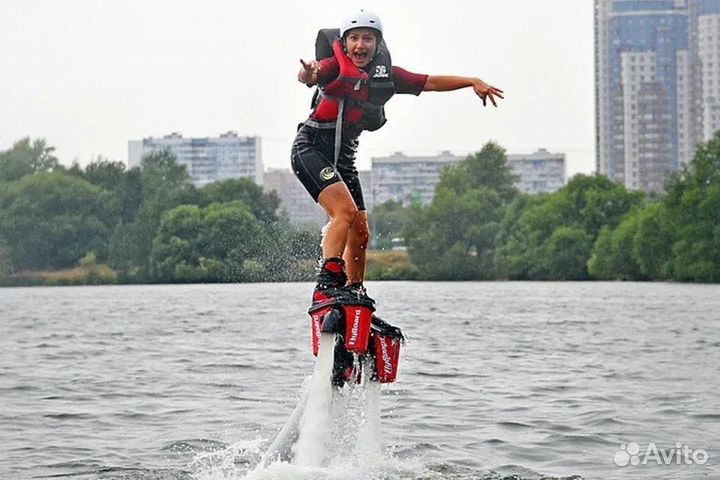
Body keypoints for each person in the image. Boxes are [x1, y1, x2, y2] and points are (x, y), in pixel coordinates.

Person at [292, 9, 503, 311]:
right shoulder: (331, 68)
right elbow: (309, 75)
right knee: (345, 212)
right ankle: (326, 287)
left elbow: (429, 82)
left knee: (362, 232)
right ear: (345, 42)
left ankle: (354, 292)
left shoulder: (388, 76)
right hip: (310, 149)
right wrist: (308, 73)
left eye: (367, 39)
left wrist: (471, 81)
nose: (360, 45)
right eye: (354, 39)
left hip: (344, 162)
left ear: (378, 44)